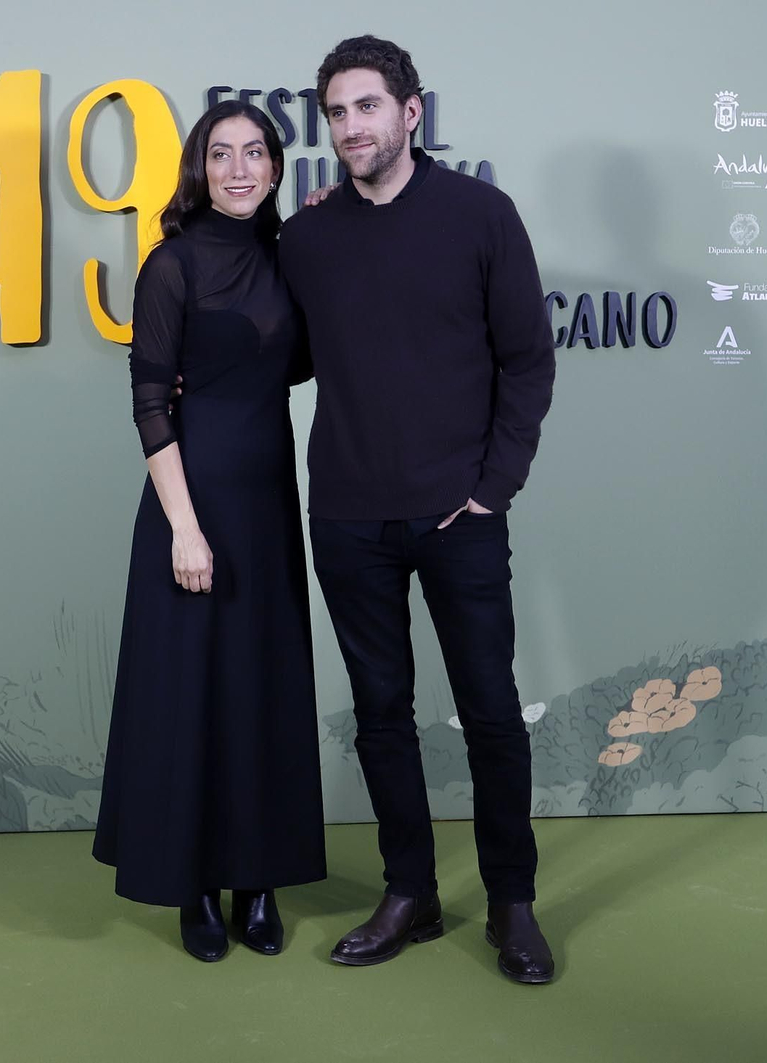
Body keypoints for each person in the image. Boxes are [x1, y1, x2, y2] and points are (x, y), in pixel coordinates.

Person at [278, 35, 558, 984]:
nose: (351, 125)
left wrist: (491, 489)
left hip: (461, 515)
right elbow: (289, 356)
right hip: (350, 517)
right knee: (380, 713)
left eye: (367, 105)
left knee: (489, 712)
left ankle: (512, 902)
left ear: (411, 112)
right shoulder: (308, 236)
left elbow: (527, 360)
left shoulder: (481, 215)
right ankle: (411, 893)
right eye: (336, 111)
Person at [92, 101, 325, 962]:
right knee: (188, 695)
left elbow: (309, 357)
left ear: (274, 168)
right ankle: (191, 882)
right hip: (188, 507)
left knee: (258, 689)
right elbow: (150, 403)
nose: (237, 169)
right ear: (199, 168)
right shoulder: (172, 266)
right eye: (220, 154)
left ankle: (256, 879)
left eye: (254, 153)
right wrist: (185, 529)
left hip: (267, 507)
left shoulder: (288, 260)